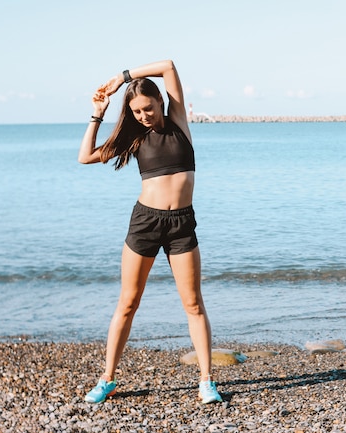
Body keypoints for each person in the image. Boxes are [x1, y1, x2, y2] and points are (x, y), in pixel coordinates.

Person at [77, 60, 222, 404]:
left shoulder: (180, 125)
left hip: (181, 225)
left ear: (160, 102)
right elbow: (85, 156)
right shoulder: (133, 139)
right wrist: (98, 113)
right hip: (145, 223)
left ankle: (206, 381)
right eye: (137, 111)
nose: (143, 115)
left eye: (148, 108)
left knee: (193, 304)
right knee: (128, 302)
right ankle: (107, 378)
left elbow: (169, 66)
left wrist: (123, 78)